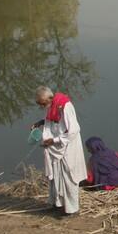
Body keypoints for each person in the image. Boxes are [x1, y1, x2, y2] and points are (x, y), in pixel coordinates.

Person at [32, 86, 87, 216]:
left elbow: (73, 130)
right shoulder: (52, 106)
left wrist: (54, 140)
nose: (42, 106)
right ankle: (57, 204)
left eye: (43, 103)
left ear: (49, 98)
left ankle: (72, 210)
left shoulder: (64, 106)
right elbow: (53, 122)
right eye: (40, 104)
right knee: (55, 177)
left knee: (68, 178)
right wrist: (40, 123)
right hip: (56, 149)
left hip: (68, 148)